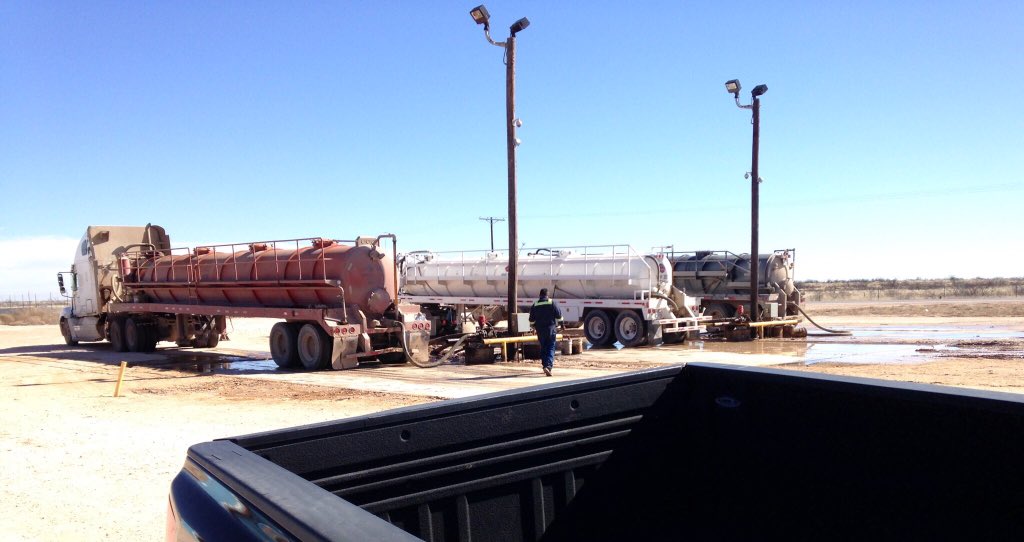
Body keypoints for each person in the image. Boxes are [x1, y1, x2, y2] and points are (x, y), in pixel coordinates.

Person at [528, 288, 562, 376]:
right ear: (548, 295)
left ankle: (544, 366)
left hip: (540, 330)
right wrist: (562, 324)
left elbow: (531, 320)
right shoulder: (552, 302)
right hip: (551, 329)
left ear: (540, 295)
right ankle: (549, 366)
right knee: (551, 347)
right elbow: (559, 315)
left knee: (543, 347)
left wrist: (534, 327)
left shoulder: (535, 304)